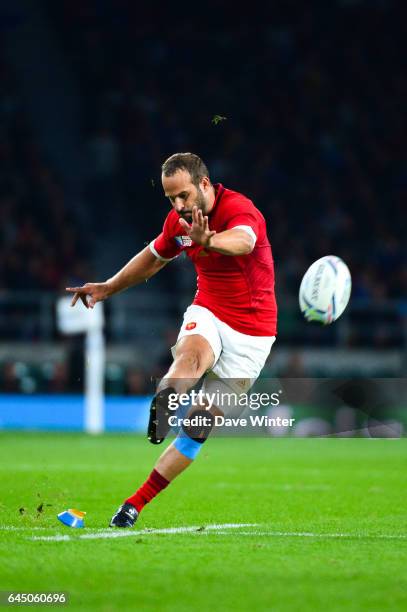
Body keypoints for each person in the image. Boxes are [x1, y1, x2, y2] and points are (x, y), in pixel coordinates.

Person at [66, 152, 278, 528]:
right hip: (209, 310)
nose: (178, 206)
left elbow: (243, 242)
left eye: (183, 196)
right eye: (170, 199)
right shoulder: (178, 222)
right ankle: (167, 398)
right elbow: (152, 257)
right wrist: (108, 288)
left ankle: (135, 503)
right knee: (192, 357)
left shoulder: (240, 209)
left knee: (198, 427)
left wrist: (208, 239)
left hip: (255, 335)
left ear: (204, 185)